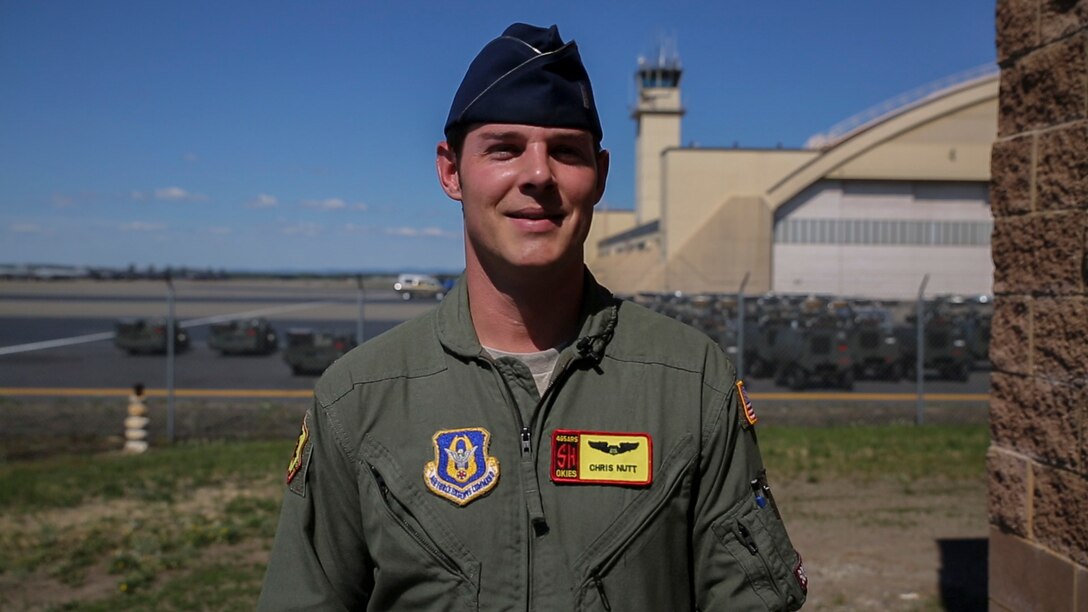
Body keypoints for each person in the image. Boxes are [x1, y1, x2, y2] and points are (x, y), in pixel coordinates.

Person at [259, 22, 807, 611]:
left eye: (566, 151)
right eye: (504, 148)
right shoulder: (360, 398)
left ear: (598, 175)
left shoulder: (688, 382)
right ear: (451, 171)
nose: (539, 174)